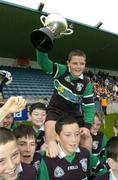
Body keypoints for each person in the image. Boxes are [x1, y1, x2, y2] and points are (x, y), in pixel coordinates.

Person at [36, 49, 95, 157]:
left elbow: (89, 107)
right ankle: (51, 168)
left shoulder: (86, 84)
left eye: (81, 63)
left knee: (87, 140)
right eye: (75, 63)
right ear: (68, 63)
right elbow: (43, 63)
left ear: (85, 64)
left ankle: (87, 170)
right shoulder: (61, 70)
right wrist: (42, 48)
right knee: (50, 140)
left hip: (73, 113)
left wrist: (87, 126)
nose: (78, 66)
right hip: (55, 109)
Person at [38, 115, 107, 180]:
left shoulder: (85, 153)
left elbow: (103, 171)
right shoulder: (47, 160)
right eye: (68, 135)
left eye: (77, 134)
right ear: (57, 136)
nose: (74, 139)